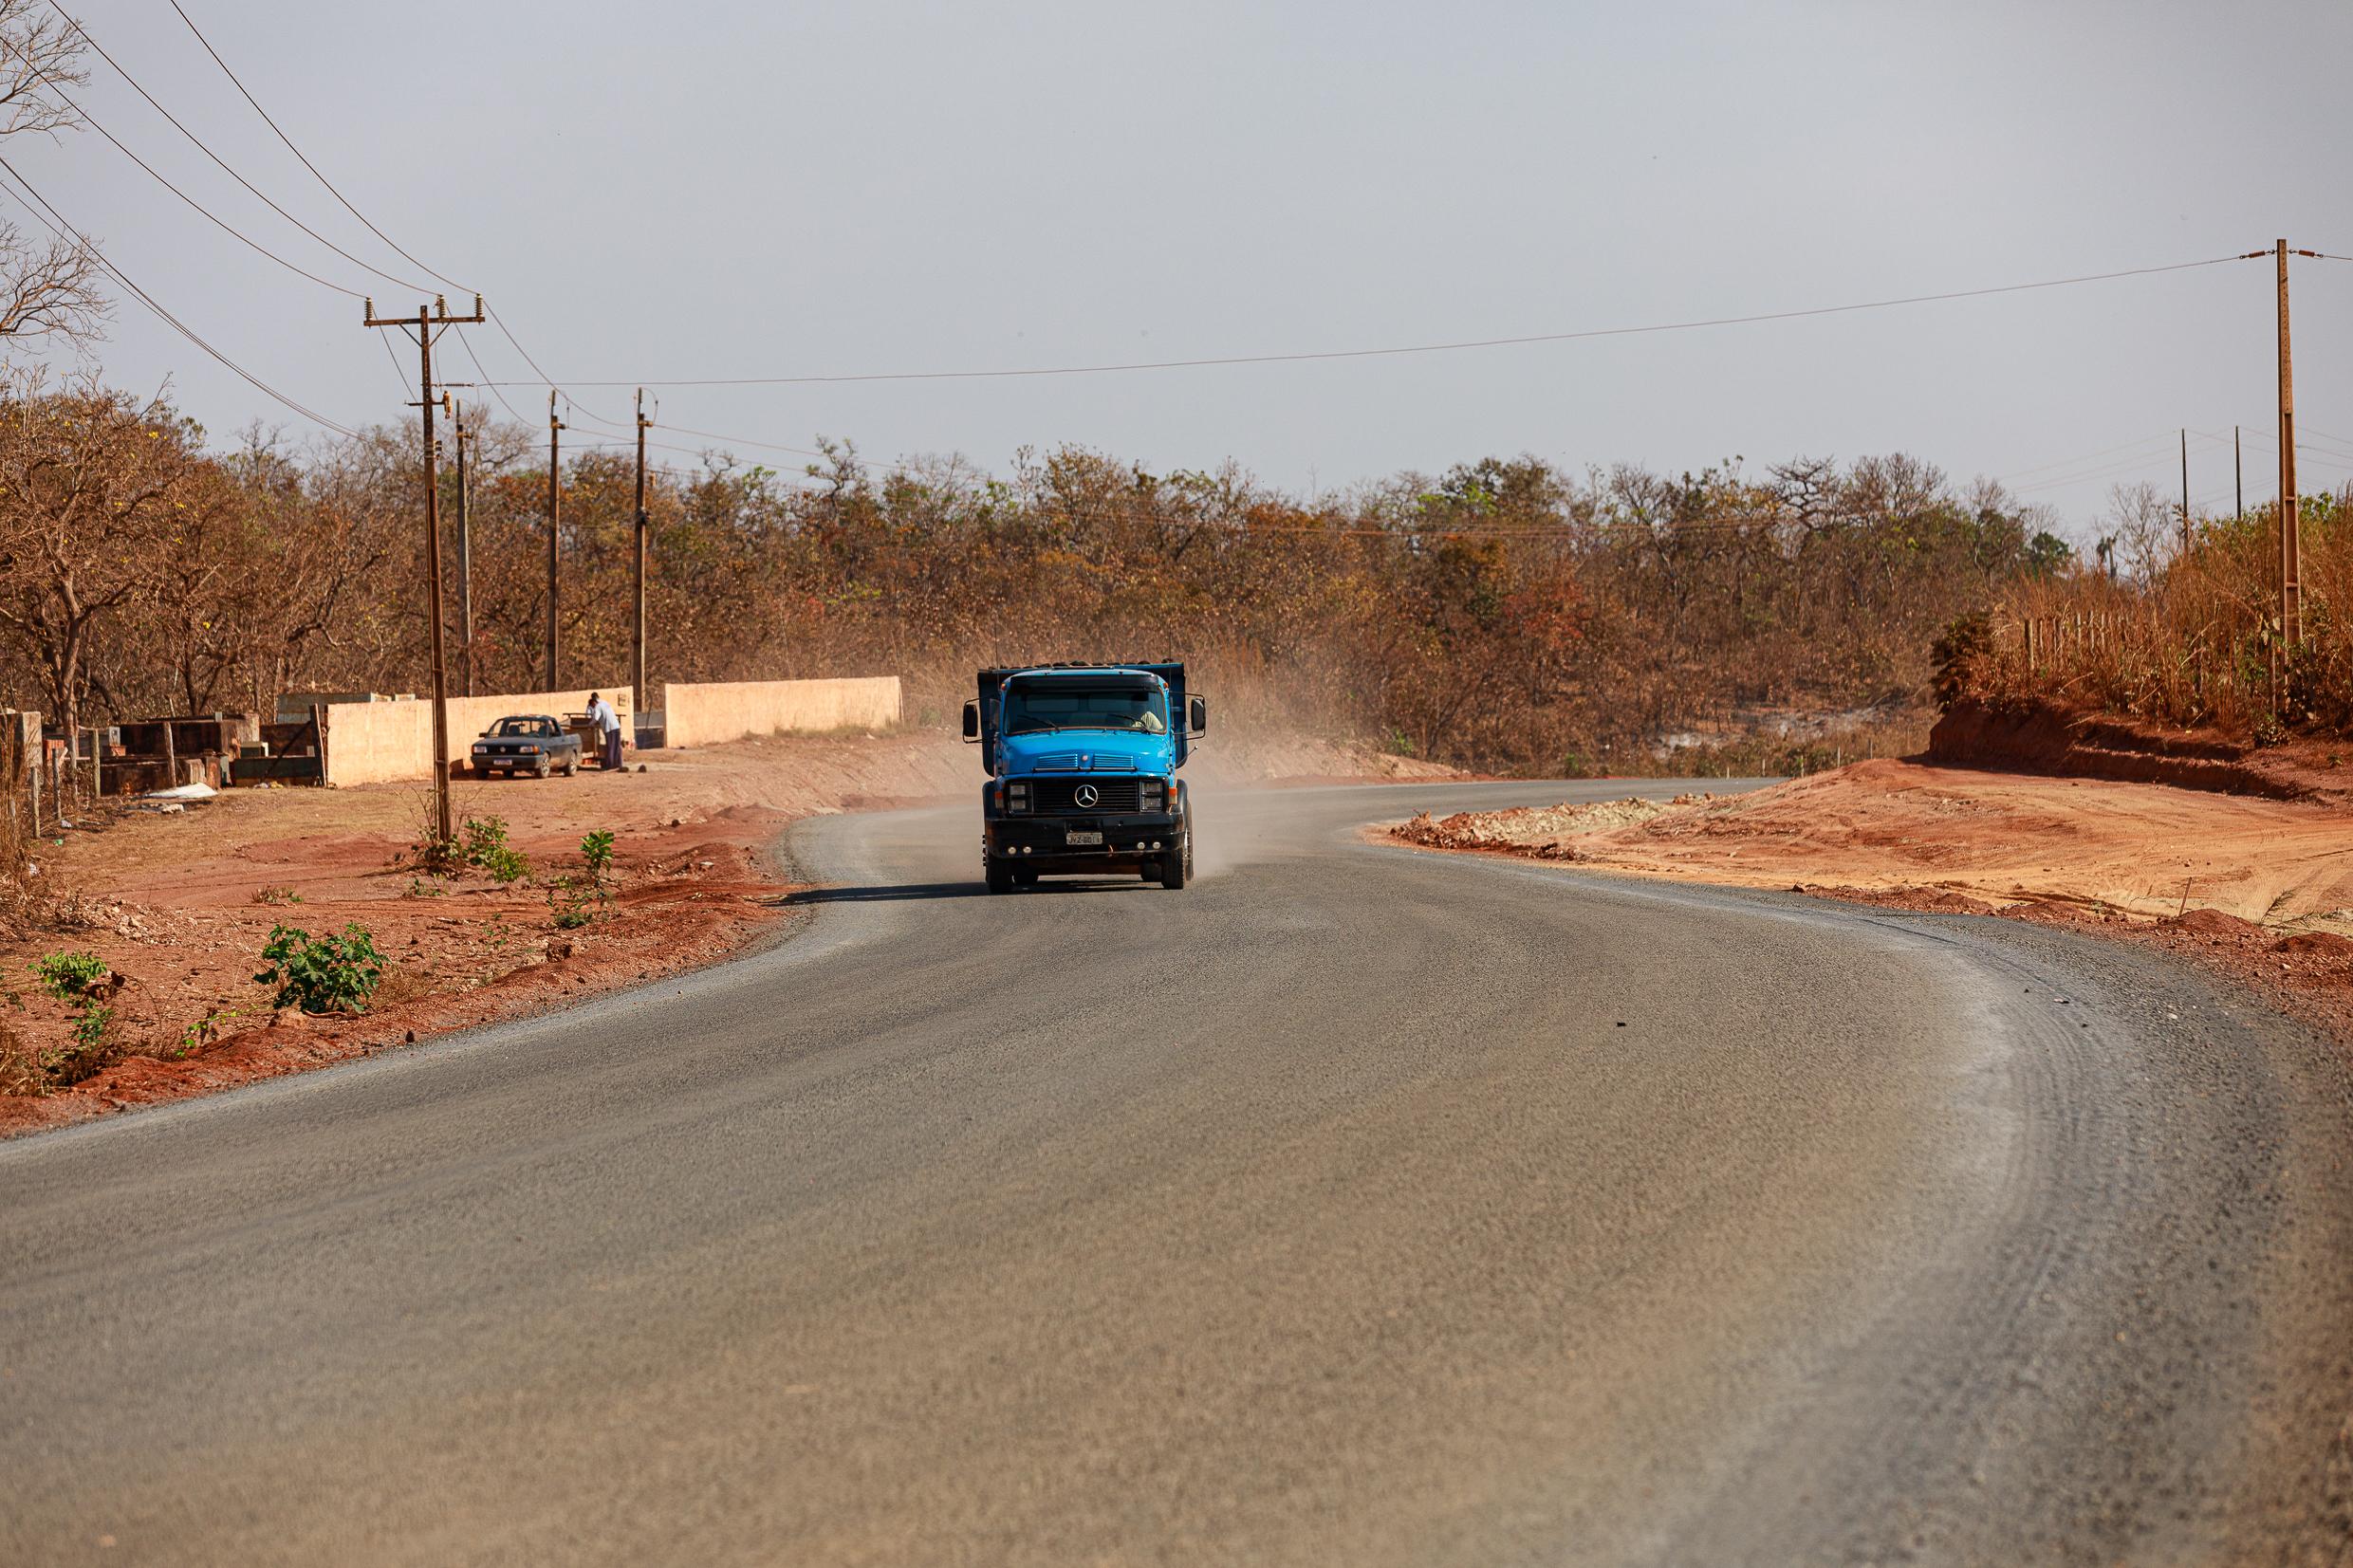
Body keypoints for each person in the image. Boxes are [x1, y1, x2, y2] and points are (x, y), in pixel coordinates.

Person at [586, 692, 623, 770]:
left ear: (593, 702)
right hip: (616, 725)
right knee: (617, 746)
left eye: (592, 706)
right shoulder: (604, 702)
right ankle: (618, 764)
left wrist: (589, 725)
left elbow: (596, 718)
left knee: (610, 746)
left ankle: (609, 765)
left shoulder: (598, 706)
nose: (593, 708)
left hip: (609, 728)